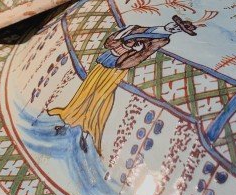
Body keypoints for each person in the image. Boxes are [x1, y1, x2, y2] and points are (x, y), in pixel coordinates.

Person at [49, 15, 198, 155]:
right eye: (173, 27)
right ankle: (70, 119)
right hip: (106, 63)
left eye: (175, 29)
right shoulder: (137, 30)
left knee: (102, 98)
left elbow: (148, 45)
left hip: (116, 71)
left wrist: (138, 47)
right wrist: (124, 41)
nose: (173, 30)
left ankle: (87, 130)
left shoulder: (156, 39)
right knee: (87, 90)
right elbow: (116, 39)